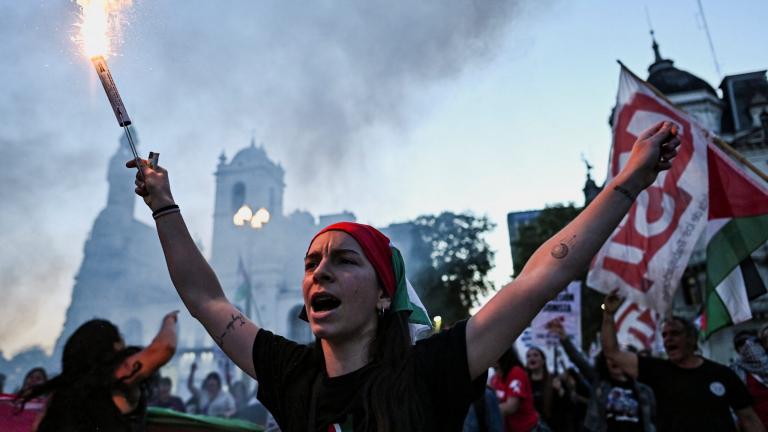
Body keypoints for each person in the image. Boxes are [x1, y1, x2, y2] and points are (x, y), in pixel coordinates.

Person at [128, 120, 681, 430]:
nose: (320, 272)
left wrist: (628, 182)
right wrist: (164, 207)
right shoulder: (289, 372)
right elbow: (207, 299)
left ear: (382, 296)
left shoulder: (432, 368)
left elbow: (539, 278)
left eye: (345, 261)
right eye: (312, 263)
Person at [601, 293, 764, 432]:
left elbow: (749, 418)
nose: (668, 339)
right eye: (664, 335)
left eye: (675, 333)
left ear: (692, 339)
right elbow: (612, 352)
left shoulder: (722, 374)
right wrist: (608, 314)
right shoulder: (657, 370)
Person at [20, 312, 178, 431]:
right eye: (121, 337)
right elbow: (164, 348)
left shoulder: (61, 393)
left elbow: (37, 427)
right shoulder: (117, 375)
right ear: (114, 346)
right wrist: (169, 320)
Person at [548, 319, 655, 432]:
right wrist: (564, 338)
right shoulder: (600, 382)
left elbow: (651, 422)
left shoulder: (644, 390)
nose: (614, 361)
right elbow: (578, 360)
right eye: (609, 358)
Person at [491, 346, 542, 432]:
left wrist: (486, 410)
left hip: (527, 429)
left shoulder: (516, 372)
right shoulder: (494, 378)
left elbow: (511, 407)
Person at [732, 330, 768, 429]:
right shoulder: (736, 372)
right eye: (742, 345)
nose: (749, 346)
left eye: (753, 342)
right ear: (738, 351)